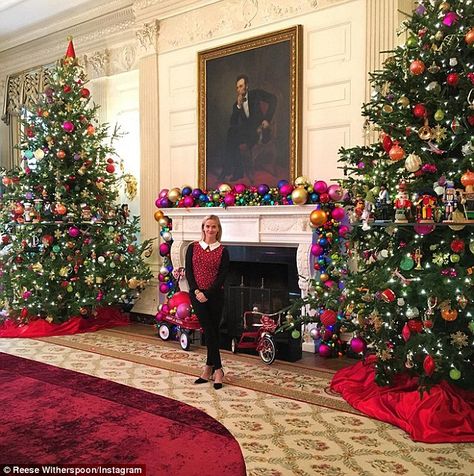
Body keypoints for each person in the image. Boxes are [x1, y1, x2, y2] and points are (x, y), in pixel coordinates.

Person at [185, 215, 230, 389]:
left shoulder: (223, 250)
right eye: (207, 226)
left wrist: (208, 293)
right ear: (203, 227)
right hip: (196, 294)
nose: (210, 229)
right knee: (209, 330)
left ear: (218, 230)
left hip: (215, 296)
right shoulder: (193, 247)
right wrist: (197, 291)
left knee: (213, 331)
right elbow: (189, 272)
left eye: (214, 227)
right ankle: (218, 370)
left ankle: (208, 368)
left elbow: (222, 276)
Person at [221, 74, 277, 181]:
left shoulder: (256, 94)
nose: (239, 89)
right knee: (231, 133)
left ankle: (231, 170)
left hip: (260, 131)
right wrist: (238, 106)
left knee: (232, 138)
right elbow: (233, 123)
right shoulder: (236, 104)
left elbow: (273, 99)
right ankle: (234, 170)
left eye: (241, 86)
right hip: (247, 133)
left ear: (247, 86)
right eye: (237, 87)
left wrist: (267, 119)